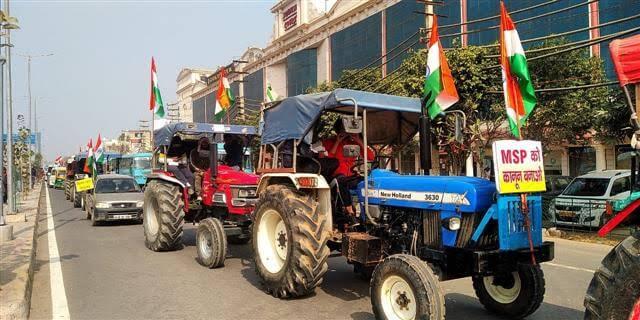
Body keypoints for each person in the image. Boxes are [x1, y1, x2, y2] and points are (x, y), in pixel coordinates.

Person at [322, 119, 374, 216]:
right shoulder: (328, 142)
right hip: (335, 177)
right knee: (341, 181)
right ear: (338, 130)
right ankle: (349, 211)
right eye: (343, 129)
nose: (346, 132)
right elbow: (328, 160)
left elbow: (370, 157)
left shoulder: (354, 143)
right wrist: (337, 142)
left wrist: (358, 140)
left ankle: (368, 213)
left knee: (368, 182)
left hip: (350, 176)